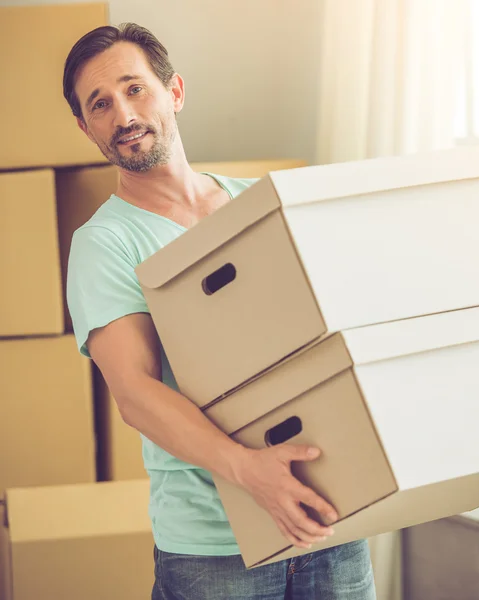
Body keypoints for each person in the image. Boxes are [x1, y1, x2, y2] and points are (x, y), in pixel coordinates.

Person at [63, 22, 376, 600]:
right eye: (100, 104)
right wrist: (249, 471)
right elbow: (135, 393)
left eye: (135, 89)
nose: (123, 114)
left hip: (329, 513)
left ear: (174, 92)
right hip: (213, 547)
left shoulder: (259, 203)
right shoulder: (105, 244)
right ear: (86, 127)